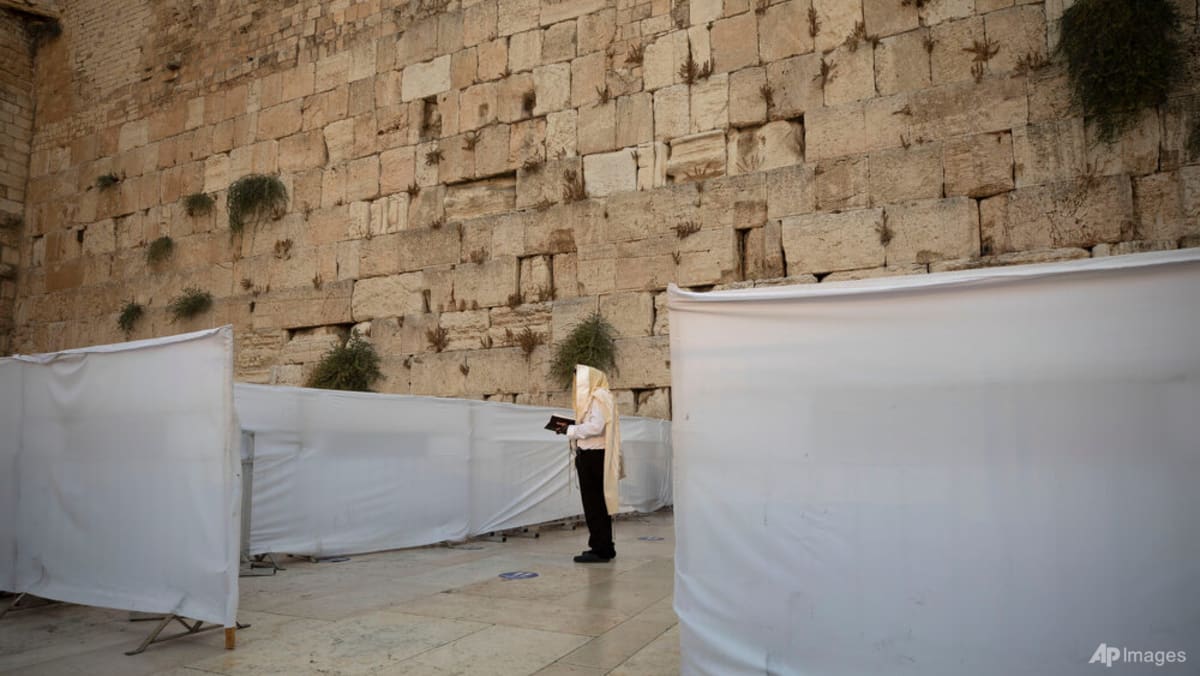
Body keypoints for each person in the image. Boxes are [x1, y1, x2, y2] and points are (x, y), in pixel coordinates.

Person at [554, 364, 623, 563]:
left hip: (594, 456)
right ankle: (604, 546)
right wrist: (570, 427)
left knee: (595, 504)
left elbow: (596, 426)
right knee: (595, 503)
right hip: (589, 455)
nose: (577, 384)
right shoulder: (596, 397)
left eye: (579, 380)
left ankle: (600, 549)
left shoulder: (599, 396)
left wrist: (571, 430)